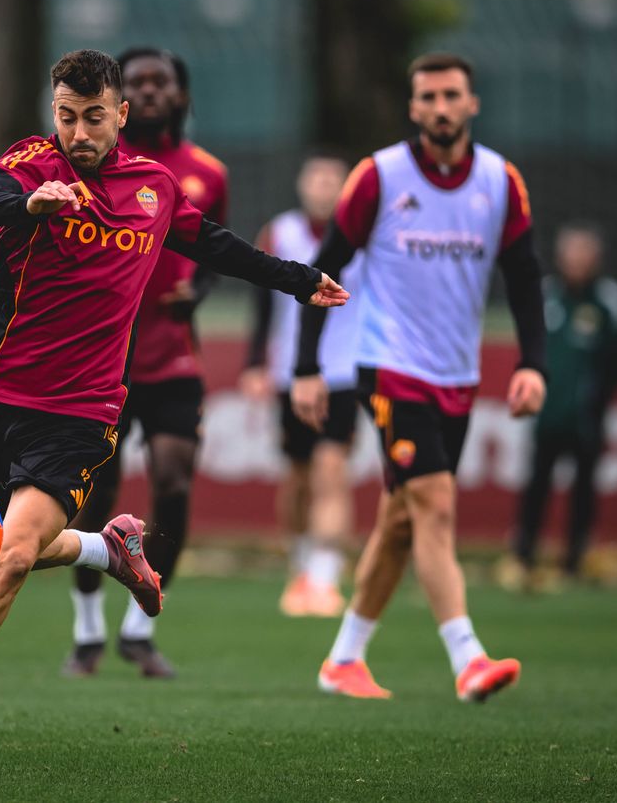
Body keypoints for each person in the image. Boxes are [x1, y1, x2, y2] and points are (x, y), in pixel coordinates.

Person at [0, 49, 348, 757]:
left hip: (83, 408)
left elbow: (220, 248)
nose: (79, 133)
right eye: (67, 116)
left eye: (94, 118)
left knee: (11, 556)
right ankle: (104, 548)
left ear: (122, 116)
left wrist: (300, 279)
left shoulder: (155, 187)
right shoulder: (33, 164)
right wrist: (29, 203)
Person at [291, 52, 547, 703]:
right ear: (412, 107)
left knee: (402, 521)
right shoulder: (379, 176)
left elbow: (523, 276)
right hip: (390, 369)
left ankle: (343, 659)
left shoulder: (500, 181)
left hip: (457, 376)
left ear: (472, 103)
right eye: (427, 96)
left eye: (451, 95)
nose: (439, 107)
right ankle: (468, 658)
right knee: (434, 503)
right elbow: (325, 267)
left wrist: (532, 362)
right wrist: (307, 367)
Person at [61, 47, 228, 680]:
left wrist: (203, 290)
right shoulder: (96, 164)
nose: (153, 91)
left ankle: (139, 627)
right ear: (120, 101)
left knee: (174, 482)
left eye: (164, 82)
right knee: (94, 492)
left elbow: (216, 247)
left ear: (181, 96)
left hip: (173, 357)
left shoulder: (208, 173)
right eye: (140, 82)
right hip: (102, 359)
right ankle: (86, 630)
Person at [240, 154, 360, 618]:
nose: (324, 187)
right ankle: (301, 562)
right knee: (298, 478)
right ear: (302, 184)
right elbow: (262, 303)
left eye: (334, 180)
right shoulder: (280, 232)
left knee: (332, 470)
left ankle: (325, 579)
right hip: (291, 372)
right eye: (317, 179)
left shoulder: (361, 236)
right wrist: (255, 362)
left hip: (343, 373)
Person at [509, 223, 617, 585]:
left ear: (596, 258)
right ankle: (524, 555)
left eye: (584, 252)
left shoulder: (610, 301)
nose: (576, 260)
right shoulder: (546, 295)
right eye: (571, 252)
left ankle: (575, 559)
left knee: (584, 491)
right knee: (536, 485)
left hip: (586, 418)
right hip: (546, 414)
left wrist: (598, 398)